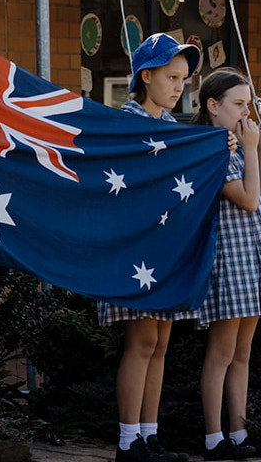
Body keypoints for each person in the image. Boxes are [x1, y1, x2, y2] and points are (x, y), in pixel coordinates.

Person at [101, 33, 200, 462]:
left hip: (165, 251)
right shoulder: (124, 121)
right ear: (147, 75)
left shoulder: (175, 128)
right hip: (135, 251)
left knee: (159, 344)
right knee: (141, 343)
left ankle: (149, 436)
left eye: (184, 79)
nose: (180, 87)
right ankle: (128, 443)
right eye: (172, 77)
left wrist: (220, 150)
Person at [188, 67, 261, 461]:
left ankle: (238, 433)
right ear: (213, 106)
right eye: (239, 104)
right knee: (222, 351)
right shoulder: (213, 148)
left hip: (254, 258)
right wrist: (248, 149)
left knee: (242, 352)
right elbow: (245, 199)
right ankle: (214, 438)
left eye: (250, 104)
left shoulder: (241, 145)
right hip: (229, 262)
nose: (247, 112)